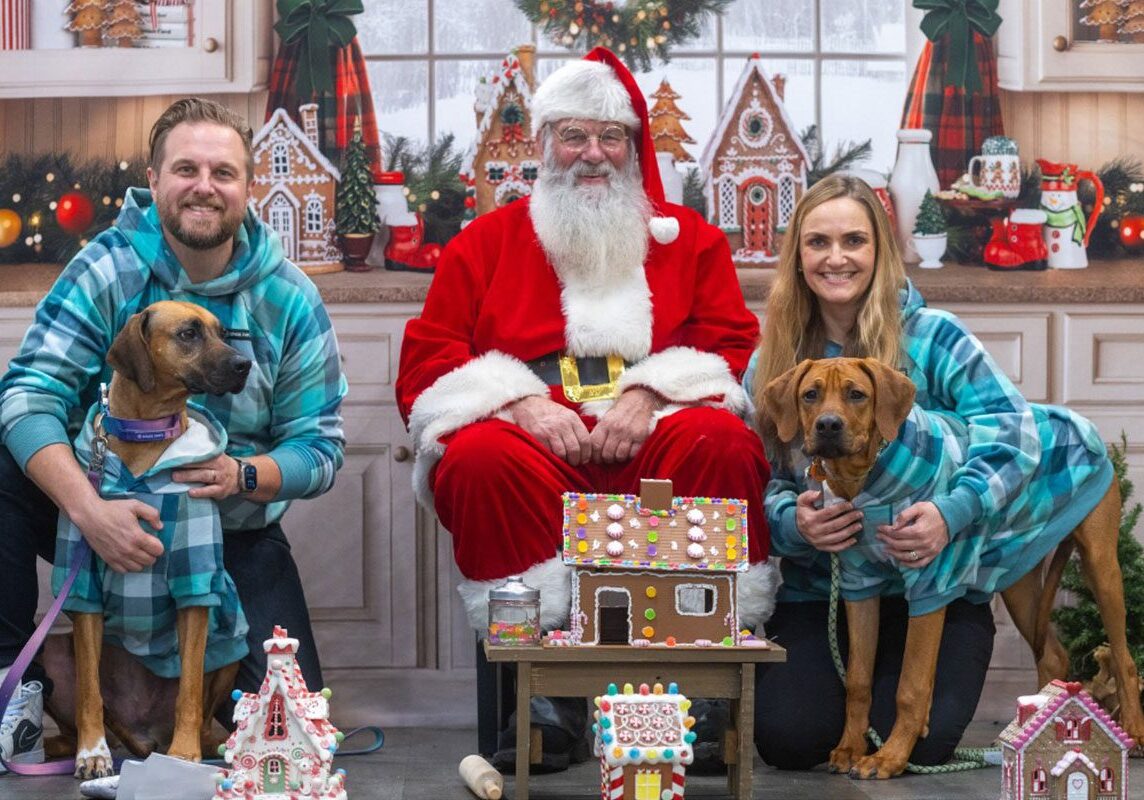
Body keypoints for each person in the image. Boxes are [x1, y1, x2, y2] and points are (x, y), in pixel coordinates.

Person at [395, 47, 777, 771]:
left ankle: (699, 686)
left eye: (611, 137)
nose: (593, 153)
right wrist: (518, 401)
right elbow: (429, 361)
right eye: (574, 135)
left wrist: (651, 391)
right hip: (535, 441)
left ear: (634, 147)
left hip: (656, 433)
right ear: (544, 144)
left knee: (721, 443)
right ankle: (541, 694)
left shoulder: (691, 241)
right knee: (477, 458)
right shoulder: (484, 243)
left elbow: (731, 347)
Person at [0, 97, 347, 768]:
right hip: (102, 507)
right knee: (2, 462)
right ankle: (15, 690)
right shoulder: (106, 270)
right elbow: (27, 394)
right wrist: (88, 511)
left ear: (248, 187)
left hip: (228, 530)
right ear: (154, 179)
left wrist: (243, 474)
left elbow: (323, 447)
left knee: (293, 725)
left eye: (224, 172)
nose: (204, 186)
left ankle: (184, 725)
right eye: (186, 168)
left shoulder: (289, 296)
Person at [745, 174, 1113, 770]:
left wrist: (951, 511)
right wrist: (795, 523)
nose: (836, 258)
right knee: (790, 739)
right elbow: (760, 482)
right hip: (829, 588)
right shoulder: (773, 363)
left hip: (940, 581)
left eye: (854, 240)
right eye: (818, 242)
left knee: (925, 739)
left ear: (880, 250)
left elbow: (1016, 434)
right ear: (797, 257)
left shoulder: (935, 336)